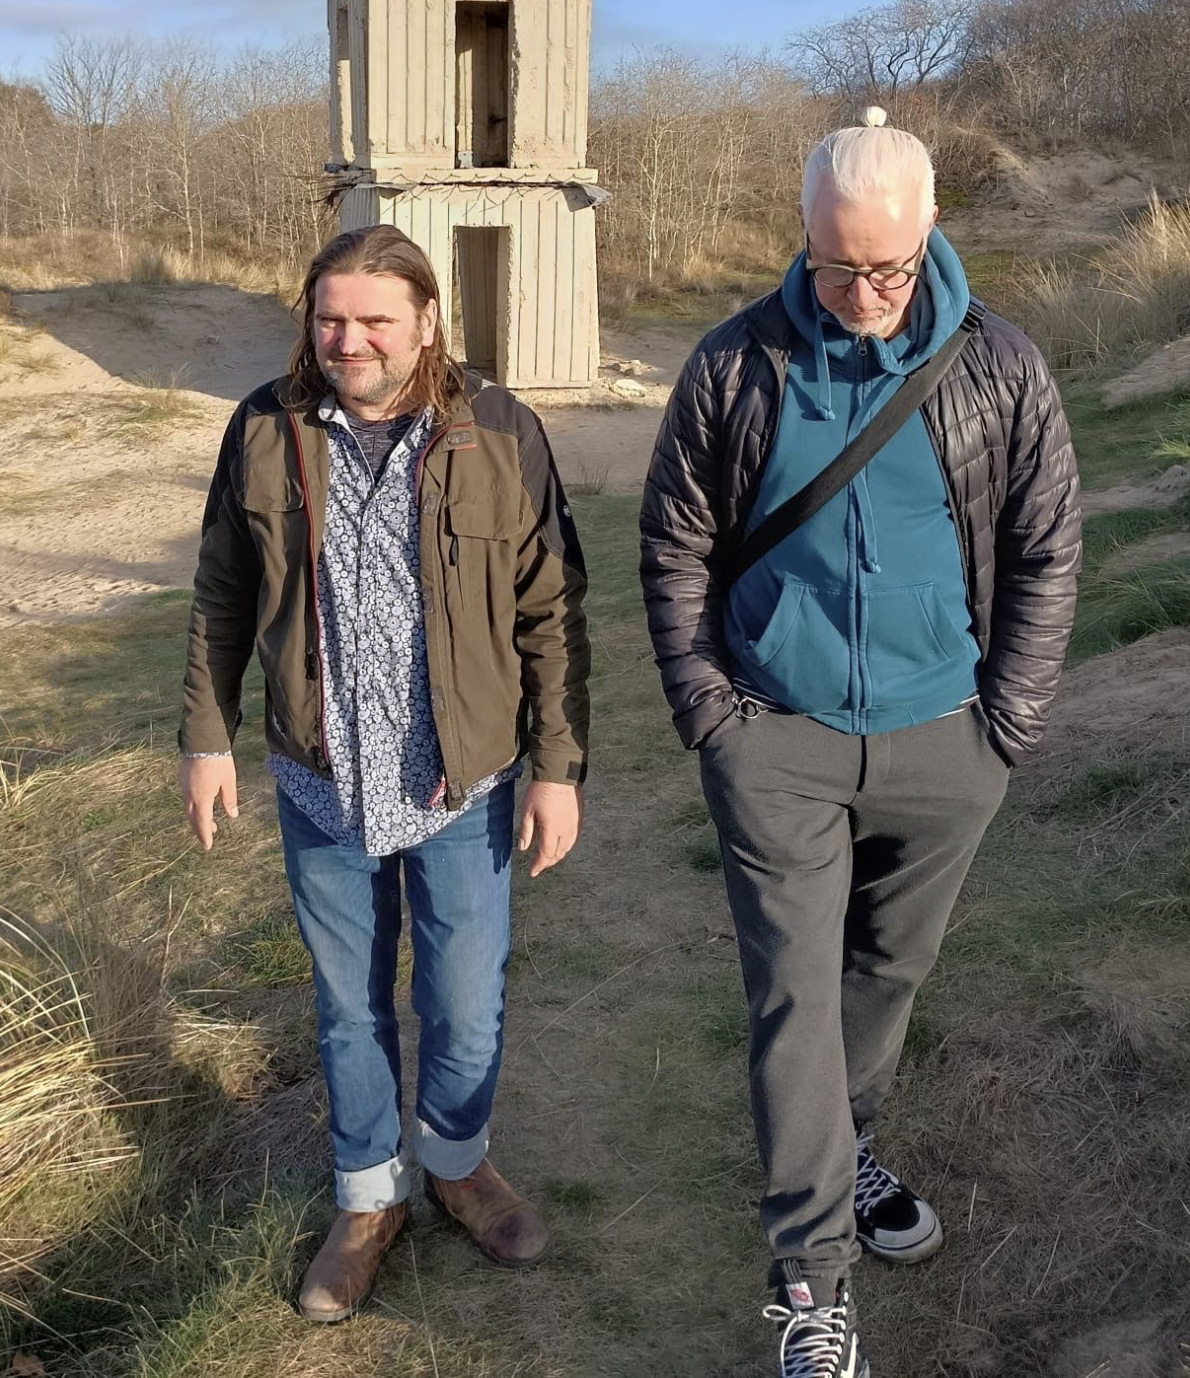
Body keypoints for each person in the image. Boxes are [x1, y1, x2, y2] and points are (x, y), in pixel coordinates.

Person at [639, 110, 1081, 1377]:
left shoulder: (1000, 364)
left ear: (929, 232)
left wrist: (1006, 726)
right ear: (803, 241)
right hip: (774, 736)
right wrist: (712, 719)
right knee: (791, 993)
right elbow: (672, 545)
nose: (866, 294)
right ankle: (811, 1281)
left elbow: (1047, 549)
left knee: (885, 969)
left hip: (946, 739)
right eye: (839, 269)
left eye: (888, 267)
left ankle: (849, 1140)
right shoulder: (735, 364)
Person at [178, 225, 590, 1322]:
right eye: (329, 318)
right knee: (348, 1008)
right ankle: (368, 1199)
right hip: (321, 781)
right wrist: (206, 738)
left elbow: (548, 609)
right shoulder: (265, 427)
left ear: (426, 323)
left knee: (461, 997)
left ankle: (456, 1163)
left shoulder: (496, 429)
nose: (347, 340)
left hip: (461, 783)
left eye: (373, 320)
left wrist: (557, 766)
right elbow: (222, 591)